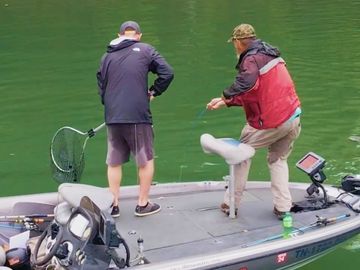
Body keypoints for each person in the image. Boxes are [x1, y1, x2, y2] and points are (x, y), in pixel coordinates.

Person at [206, 24, 301, 219]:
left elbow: (246, 83)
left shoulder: (250, 59)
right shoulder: (271, 55)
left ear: (238, 42)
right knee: (278, 160)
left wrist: (226, 94)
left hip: (271, 121)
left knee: (240, 156)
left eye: (234, 44)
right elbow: (256, 93)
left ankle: (230, 203)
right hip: (292, 117)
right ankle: (283, 208)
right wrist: (225, 101)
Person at [97, 21, 174, 217]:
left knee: (114, 162)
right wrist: (153, 91)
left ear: (119, 35)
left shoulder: (107, 56)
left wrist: (111, 106)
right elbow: (167, 72)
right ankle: (143, 204)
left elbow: (102, 86)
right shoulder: (146, 49)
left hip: (113, 115)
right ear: (138, 35)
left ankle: (113, 205)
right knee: (145, 160)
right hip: (137, 115)